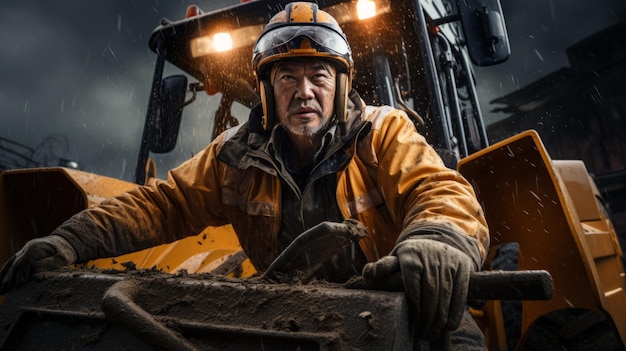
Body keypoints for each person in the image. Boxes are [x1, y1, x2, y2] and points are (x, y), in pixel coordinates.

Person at [0, 2, 489, 349]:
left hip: (401, 298)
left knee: (453, 328)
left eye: (318, 77)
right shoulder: (232, 157)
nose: (304, 92)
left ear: (340, 87)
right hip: (287, 313)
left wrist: (436, 241)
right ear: (267, 92)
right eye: (287, 78)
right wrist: (70, 240)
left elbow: (437, 187)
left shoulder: (381, 133)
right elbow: (161, 204)